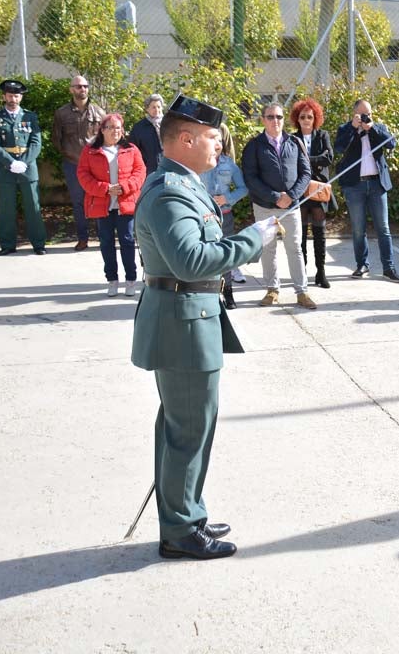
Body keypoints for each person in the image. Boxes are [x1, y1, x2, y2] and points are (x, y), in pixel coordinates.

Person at [131, 94, 279, 559]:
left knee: (187, 426)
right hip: (182, 324)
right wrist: (251, 241)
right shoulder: (171, 190)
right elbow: (191, 259)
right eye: (214, 138)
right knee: (187, 429)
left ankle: (187, 511)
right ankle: (179, 530)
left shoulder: (184, 183)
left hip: (190, 320)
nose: (220, 146)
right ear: (187, 139)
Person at [242, 102, 316, 309]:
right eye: (271, 117)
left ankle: (302, 292)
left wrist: (291, 196)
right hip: (265, 206)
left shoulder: (295, 142)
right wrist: (275, 196)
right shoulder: (254, 145)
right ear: (263, 120)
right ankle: (272, 290)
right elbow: (250, 177)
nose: (276, 121)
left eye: (279, 117)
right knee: (268, 249)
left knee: (295, 249)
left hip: (291, 207)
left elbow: (306, 173)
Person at [77, 113, 146, 296]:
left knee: (127, 241)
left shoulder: (131, 149)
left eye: (118, 128)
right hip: (102, 205)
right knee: (106, 242)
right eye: (110, 127)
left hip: (126, 204)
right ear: (102, 130)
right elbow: (83, 175)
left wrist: (124, 187)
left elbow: (140, 172)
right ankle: (112, 280)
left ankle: (131, 280)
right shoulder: (90, 150)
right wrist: (105, 189)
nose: (115, 131)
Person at [335, 99, 399, 282]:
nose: (366, 117)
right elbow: (339, 148)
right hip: (354, 185)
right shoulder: (345, 129)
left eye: (369, 114)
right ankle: (362, 265)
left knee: (384, 228)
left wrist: (371, 128)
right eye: (362, 114)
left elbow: (391, 144)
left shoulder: (378, 128)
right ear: (354, 114)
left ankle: (389, 267)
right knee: (358, 229)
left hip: (376, 185)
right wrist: (353, 128)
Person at [0, 79, 47, 255]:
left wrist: (24, 162)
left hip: (28, 168)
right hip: (6, 168)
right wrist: (11, 163)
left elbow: (36, 143)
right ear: (4, 96)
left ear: (21, 97)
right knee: (6, 208)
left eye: (16, 95)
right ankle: (7, 245)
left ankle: (38, 244)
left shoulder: (30, 117)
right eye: (10, 95)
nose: (13, 98)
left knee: (33, 207)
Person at [53, 75, 106, 251]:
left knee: (99, 198)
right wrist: (70, 154)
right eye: (78, 86)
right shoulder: (61, 113)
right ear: (71, 89)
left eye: (84, 86)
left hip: (96, 163)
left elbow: (105, 138)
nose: (82, 89)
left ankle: (102, 237)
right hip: (73, 164)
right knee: (78, 202)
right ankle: (83, 238)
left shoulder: (99, 112)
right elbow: (57, 139)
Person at [199, 124, 249, 308]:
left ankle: (228, 292)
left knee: (226, 254)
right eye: (213, 139)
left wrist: (227, 198)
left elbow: (243, 188)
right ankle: (210, 294)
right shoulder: (198, 162)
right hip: (204, 216)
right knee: (208, 255)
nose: (217, 144)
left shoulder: (229, 164)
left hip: (225, 215)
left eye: (220, 140)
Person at [290, 97, 335, 288]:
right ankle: (303, 273)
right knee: (300, 234)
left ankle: (321, 272)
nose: (306, 120)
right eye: (302, 117)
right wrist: (316, 159)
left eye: (310, 116)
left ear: (315, 118)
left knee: (320, 232)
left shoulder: (322, 135)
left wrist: (307, 159)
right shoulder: (292, 138)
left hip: (318, 189)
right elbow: (291, 162)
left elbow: (329, 158)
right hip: (300, 190)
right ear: (297, 119)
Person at [129, 94, 166, 175]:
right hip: (148, 172)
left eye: (159, 107)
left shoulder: (168, 124)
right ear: (147, 109)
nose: (157, 109)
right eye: (153, 107)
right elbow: (132, 150)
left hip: (169, 169)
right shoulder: (139, 128)